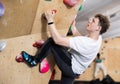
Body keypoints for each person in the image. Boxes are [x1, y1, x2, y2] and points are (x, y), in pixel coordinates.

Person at [21, 10, 110, 84]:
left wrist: (50, 20)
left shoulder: (87, 43)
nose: (89, 20)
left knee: (52, 41)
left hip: (70, 66)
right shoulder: (98, 38)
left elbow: (57, 40)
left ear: (98, 28)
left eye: (93, 21)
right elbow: (80, 38)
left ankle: (34, 61)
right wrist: (73, 27)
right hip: (75, 71)